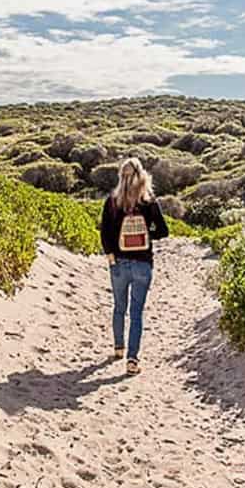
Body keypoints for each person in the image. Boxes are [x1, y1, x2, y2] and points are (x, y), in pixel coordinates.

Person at [99, 157, 169, 376]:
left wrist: (111, 256)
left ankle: (118, 348)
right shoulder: (149, 201)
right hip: (143, 264)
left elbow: (105, 233)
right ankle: (132, 359)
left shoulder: (112, 201)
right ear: (142, 175)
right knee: (136, 312)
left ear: (121, 177)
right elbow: (164, 231)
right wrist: (147, 233)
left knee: (119, 307)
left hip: (118, 262)